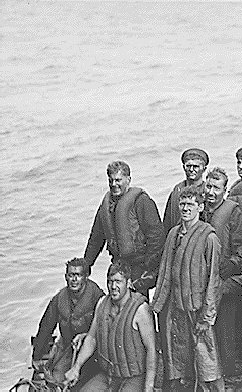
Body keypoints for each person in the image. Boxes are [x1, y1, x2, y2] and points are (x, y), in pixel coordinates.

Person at [152, 186, 224, 391]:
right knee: (179, 358)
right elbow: (165, 271)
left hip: (197, 308)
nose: (185, 208)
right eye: (182, 204)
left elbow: (213, 282)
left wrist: (206, 317)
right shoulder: (173, 234)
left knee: (206, 359)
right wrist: (157, 305)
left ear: (200, 207)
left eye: (190, 204)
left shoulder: (209, 238)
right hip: (175, 307)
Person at [64, 261, 156, 392]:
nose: (113, 286)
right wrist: (76, 368)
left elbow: (151, 350)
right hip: (108, 375)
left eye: (118, 281)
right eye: (110, 281)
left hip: (133, 377)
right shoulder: (102, 304)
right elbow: (92, 338)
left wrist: (149, 387)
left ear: (128, 283)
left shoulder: (141, 310)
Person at [83, 161, 165, 297]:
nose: (114, 184)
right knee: (116, 302)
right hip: (118, 263)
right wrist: (86, 265)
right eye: (111, 180)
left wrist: (149, 267)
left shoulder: (142, 201)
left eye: (118, 180)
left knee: (137, 303)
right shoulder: (106, 205)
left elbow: (156, 236)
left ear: (128, 180)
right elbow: (96, 238)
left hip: (139, 265)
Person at [203, 167, 242, 381]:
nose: (211, 192)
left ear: (225, 190)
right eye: (208, 186)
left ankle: (229, 374)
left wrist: (229, 266)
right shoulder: (199, 209)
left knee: (225, 329)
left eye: (216, 188)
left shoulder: (233, 212)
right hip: (202, 279)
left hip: (224, 278)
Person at [31, 258, 104, 388]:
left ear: (86, 277)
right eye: (71, 275)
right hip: (68, 346)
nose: (74, 279)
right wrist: (36, 356)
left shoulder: (97, 295)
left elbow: (107, 325)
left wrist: (86, 336)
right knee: (57, 380)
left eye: (78, 275)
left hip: (94, 348)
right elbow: (46, 327)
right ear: (66, 277)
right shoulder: (59, 298)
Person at [163, 148, 209, 232]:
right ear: (183, 167)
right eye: (188, 166)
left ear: (204, 169)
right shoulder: (177, 190)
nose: (191, 169)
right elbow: (167, 222)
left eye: (196, 166)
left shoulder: (208, 192)